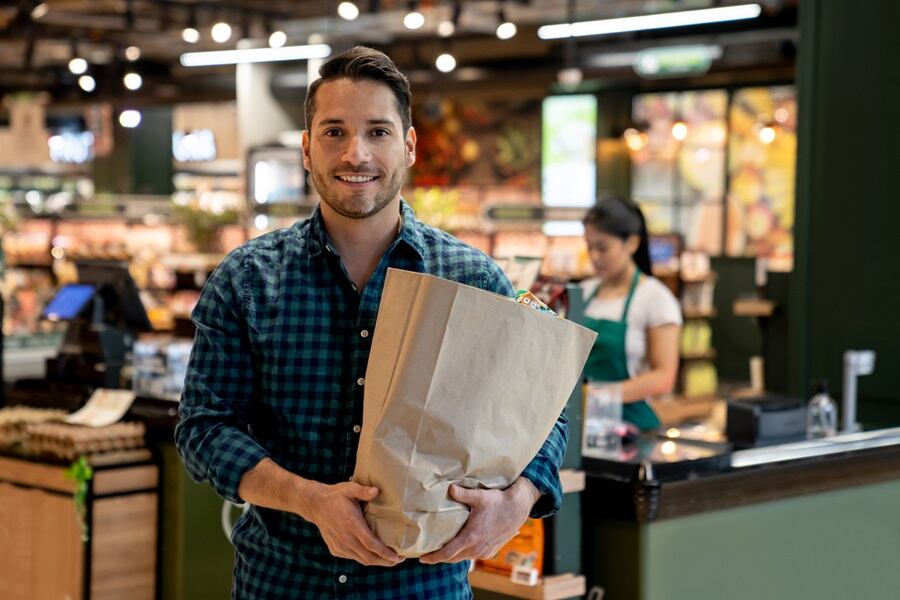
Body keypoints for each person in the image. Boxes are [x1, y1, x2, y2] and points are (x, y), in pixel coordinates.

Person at [175, 46, 567, 599]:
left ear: (409, 146)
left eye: (378, 132)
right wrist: (310, 500)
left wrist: (519, 500)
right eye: (334, 132)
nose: (355, 154)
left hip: (420, 587)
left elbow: (544, 412)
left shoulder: (471, 278)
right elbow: (204, 428)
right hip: (284, 583)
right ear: (307, 149)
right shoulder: (246, 280)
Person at [579, 197, 682, 431]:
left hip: (632, 429)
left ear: (632, 243)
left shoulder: (656, 298)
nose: (594, 256)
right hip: (582, 426)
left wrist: (598, 396)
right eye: (589, 246)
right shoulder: (582, 293)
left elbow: (664, 377)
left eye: (603, 248)